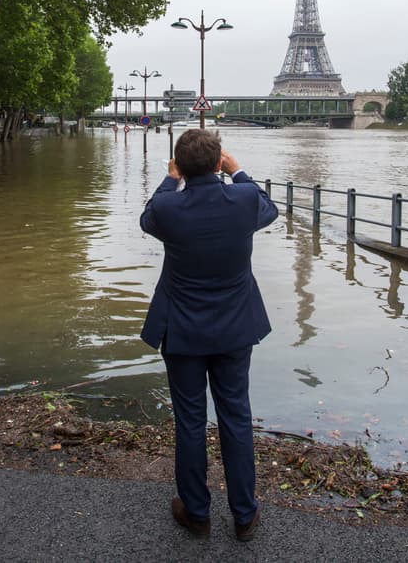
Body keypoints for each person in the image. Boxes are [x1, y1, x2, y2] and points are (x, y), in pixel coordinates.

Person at [138, 128, 278, 542]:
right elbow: (269, 210)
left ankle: (197, 513)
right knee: (236, 416)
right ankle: (244, 515)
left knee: (190, 420)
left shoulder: (168, 207)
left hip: (182, 330)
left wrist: (170, 179)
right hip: (235, 327)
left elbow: (148, 218)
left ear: (180, 166)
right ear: (219, 163)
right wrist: (239, 172)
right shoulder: (245, 199)